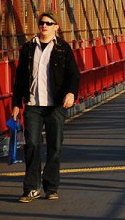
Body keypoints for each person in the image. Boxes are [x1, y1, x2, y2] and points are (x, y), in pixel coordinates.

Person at [12, 12, 80, 203]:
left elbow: (73, 75)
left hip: (55, 105)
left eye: (48, 23)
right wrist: (16, 103)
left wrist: (71, 93)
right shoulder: (28, 48)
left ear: (56, 27)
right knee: (32, 144)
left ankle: (51, 187)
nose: (44, 26)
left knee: (54, 146)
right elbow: (20, 78)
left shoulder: (63, 49)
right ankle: (32, 187)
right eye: (41, 23)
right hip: (33, 104)